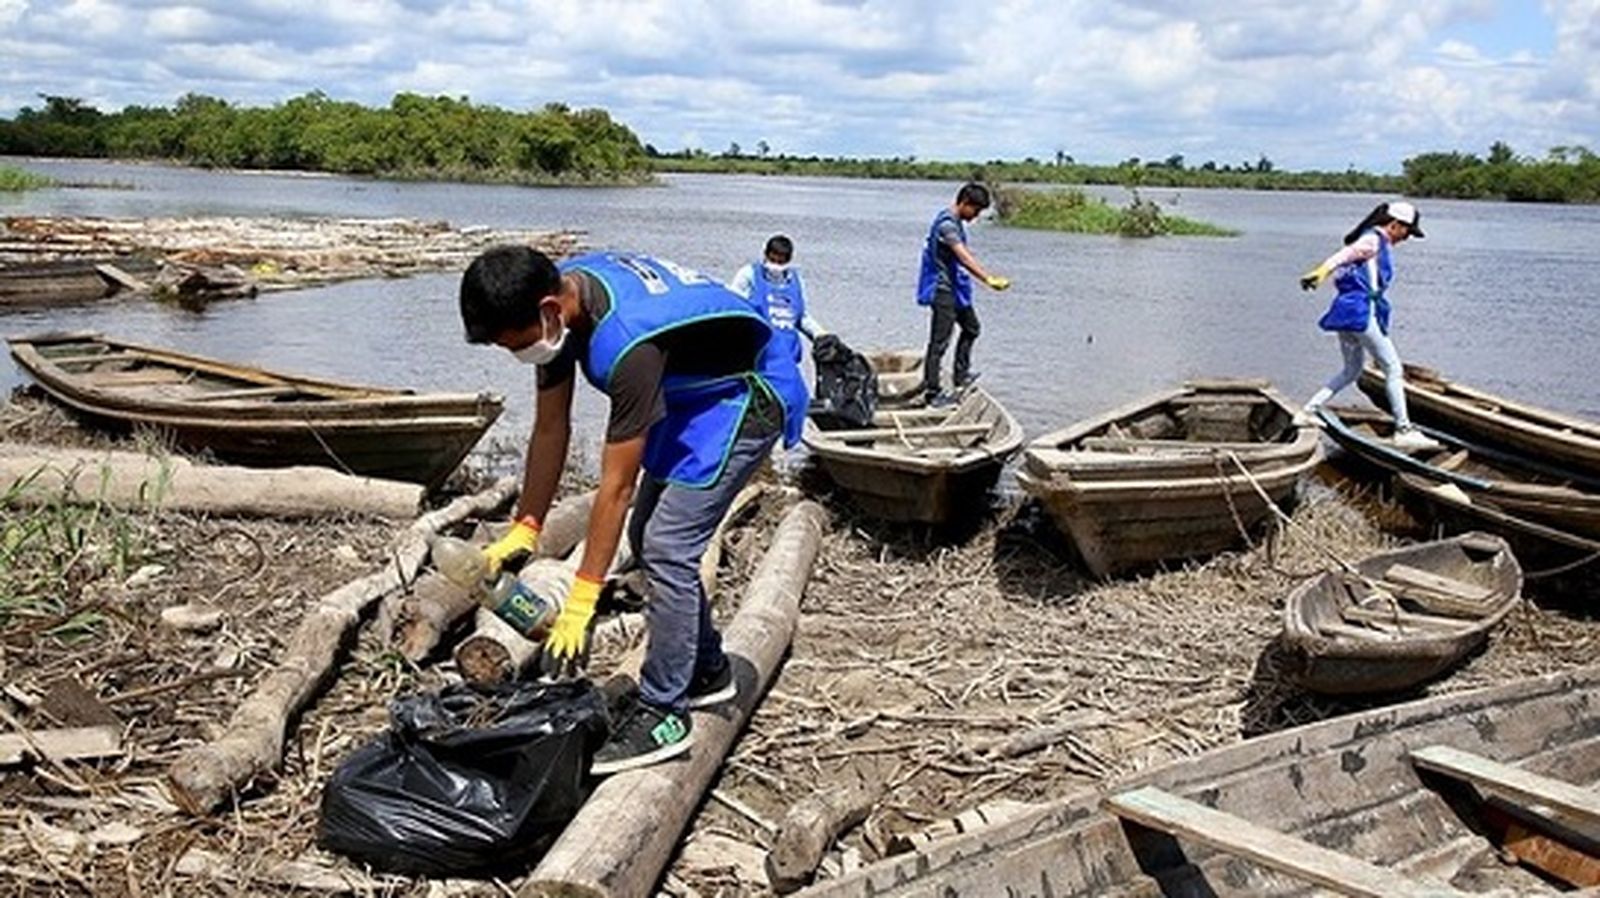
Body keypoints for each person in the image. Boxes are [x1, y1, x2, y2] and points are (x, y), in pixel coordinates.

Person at [458, 246, 808, 774]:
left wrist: (582, 597)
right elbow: (551, 429)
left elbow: (615, 488)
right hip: (692, 392)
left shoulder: (627, 345)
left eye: (521, 346)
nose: (520, 357)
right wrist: (526, 525)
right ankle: (708, 670)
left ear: (551, 309)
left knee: (669, 547)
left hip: (747, 394)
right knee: (648, 537)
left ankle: (665, 709)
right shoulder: (563, 302)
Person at [1299, 200, 1438, 450]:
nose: (1406, 238)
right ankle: (1403, 429)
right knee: (1393, 368)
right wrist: (1320, 272)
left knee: (1352, 370)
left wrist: (1322, 274)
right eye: (1407, 231)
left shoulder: (1378, 242)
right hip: (1362, 313)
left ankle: (1308, 411)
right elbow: (1342, 256)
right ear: (1395, 225)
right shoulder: (1373, 240)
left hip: (1347, 314)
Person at [917, 182, 1010, 406]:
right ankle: (932, 392)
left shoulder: (956, 222)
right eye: (975, 211)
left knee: (972, 328)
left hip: (955, 288)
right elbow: (963, 257)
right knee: (939, 342)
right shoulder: (946, 225)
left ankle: (960, 374)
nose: (976, 216)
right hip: (942, 290)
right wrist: (987, 278)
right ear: (964, 203)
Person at [728, 235, 827, 368]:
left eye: (781, 262)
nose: (776, 265)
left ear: (788, 260)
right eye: (772, 259)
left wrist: (820, 335)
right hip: (758, 356)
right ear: (766, 255)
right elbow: (733, 306)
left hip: (788, 355)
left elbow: (801, 317)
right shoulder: (749, 274)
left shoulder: (796, 281)